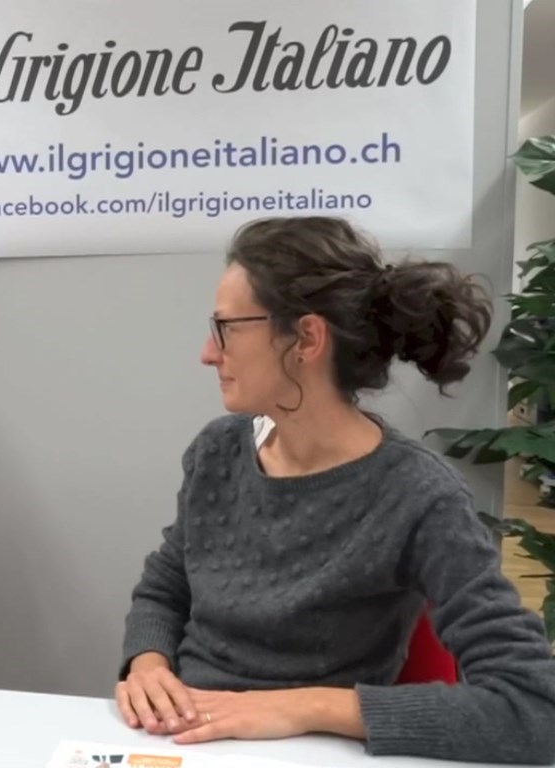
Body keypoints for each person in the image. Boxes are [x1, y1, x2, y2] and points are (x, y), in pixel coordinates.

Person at [116, 216, 555, 764]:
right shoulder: (217, 451)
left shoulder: (419, 496)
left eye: (226, 328)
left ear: (306, 338)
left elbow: (534, 711)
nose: (208, 352)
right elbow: (165, 587)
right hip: (181, 742)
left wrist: (306, 707)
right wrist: (148, 663)